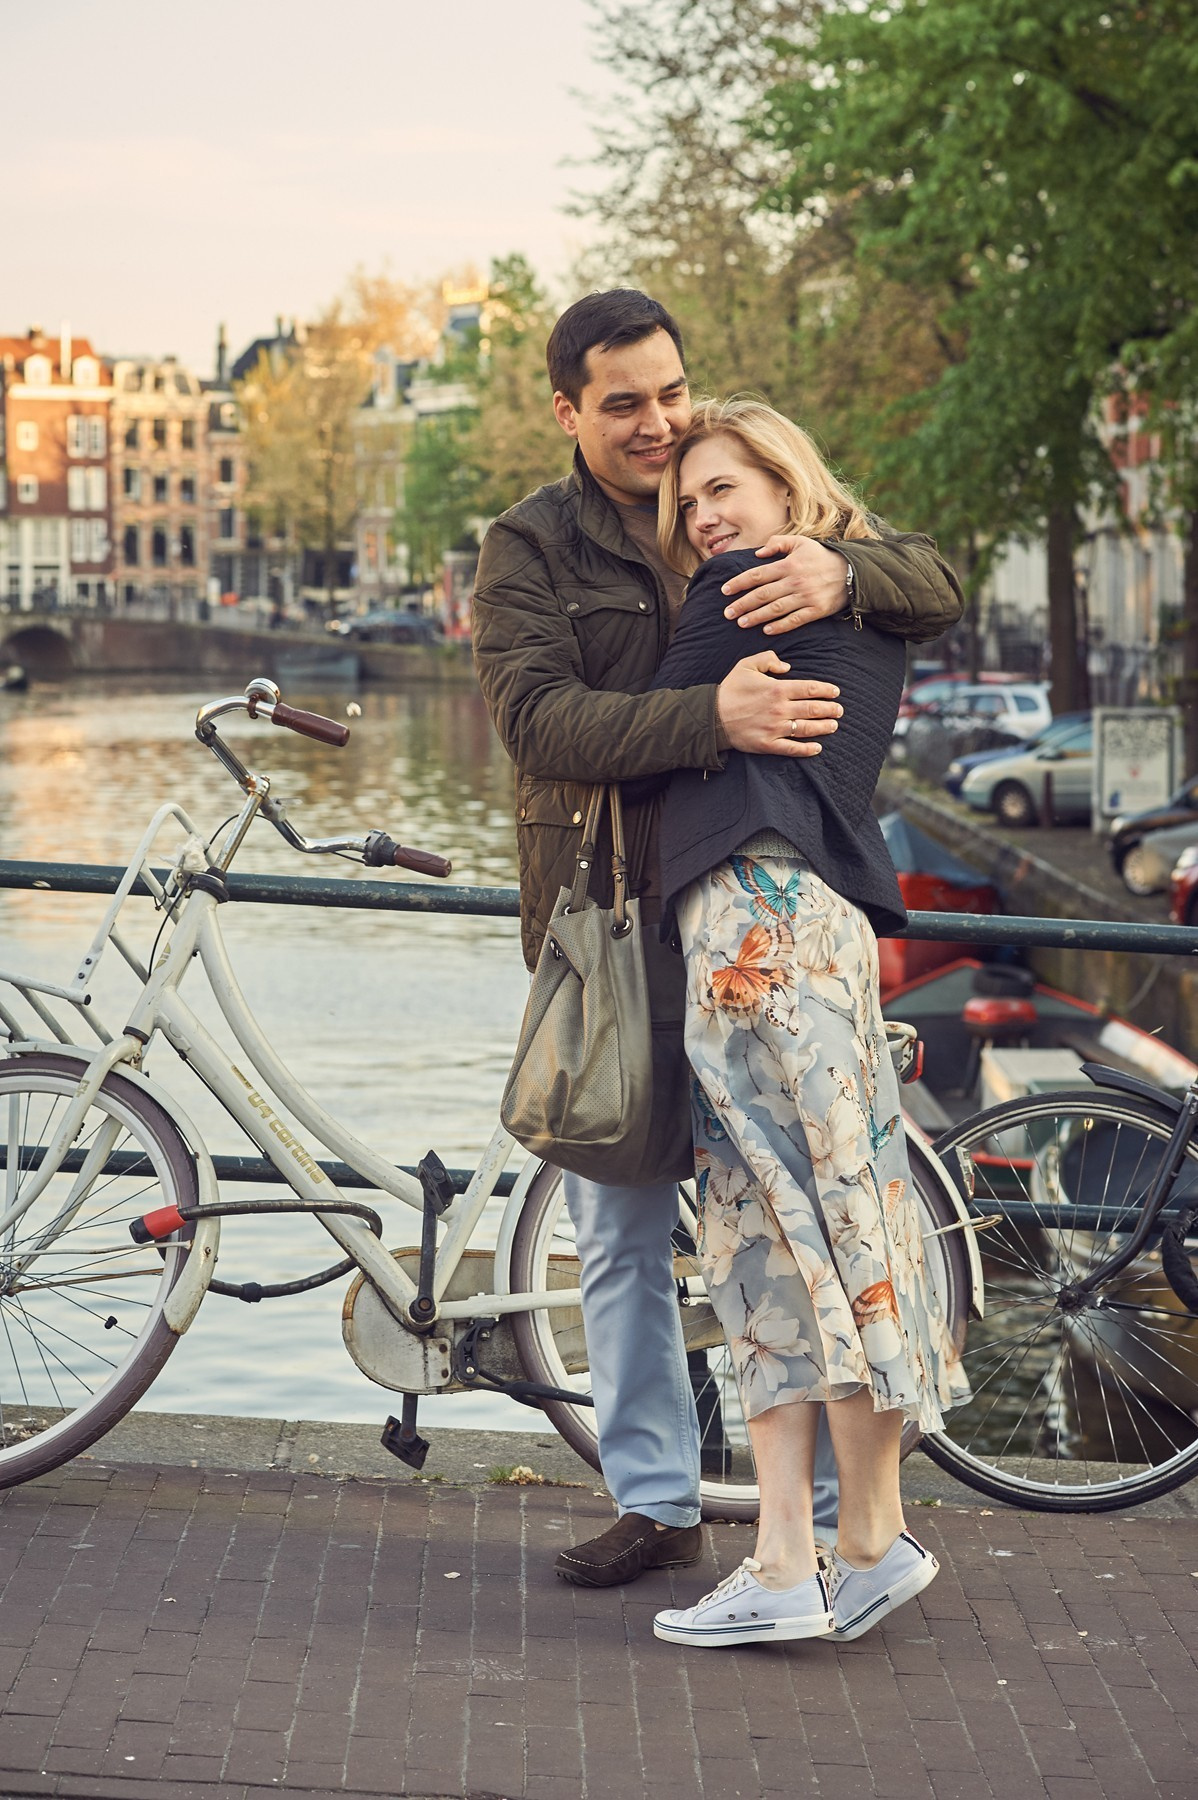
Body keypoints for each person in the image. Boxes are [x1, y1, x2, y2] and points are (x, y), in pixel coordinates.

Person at [471, 291, 964, 1591]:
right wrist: (713, 715)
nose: (657, 424)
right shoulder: (527, 547)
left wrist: (845, 572)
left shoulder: (734, 487)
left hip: (754, 911)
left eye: (670, 392)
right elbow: (539, 724)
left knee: (787, 1212)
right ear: (568, 410)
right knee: (627, 1237)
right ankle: (658, 1496)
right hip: (618, 928)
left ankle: (827, 1519)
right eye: (622, 402)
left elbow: (930, 577)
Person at [644, 398, 970, 1649]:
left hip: (758, 927)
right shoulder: (858, 593)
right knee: (808, 1224)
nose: (705, 517)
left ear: (786, 485)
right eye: (690, 505)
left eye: (724, 487)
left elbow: (634, 728)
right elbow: (924, 575)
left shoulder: (749, 592)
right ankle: (826, 1547)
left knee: (792, 1229)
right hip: (798, 934)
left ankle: (833, 1547)